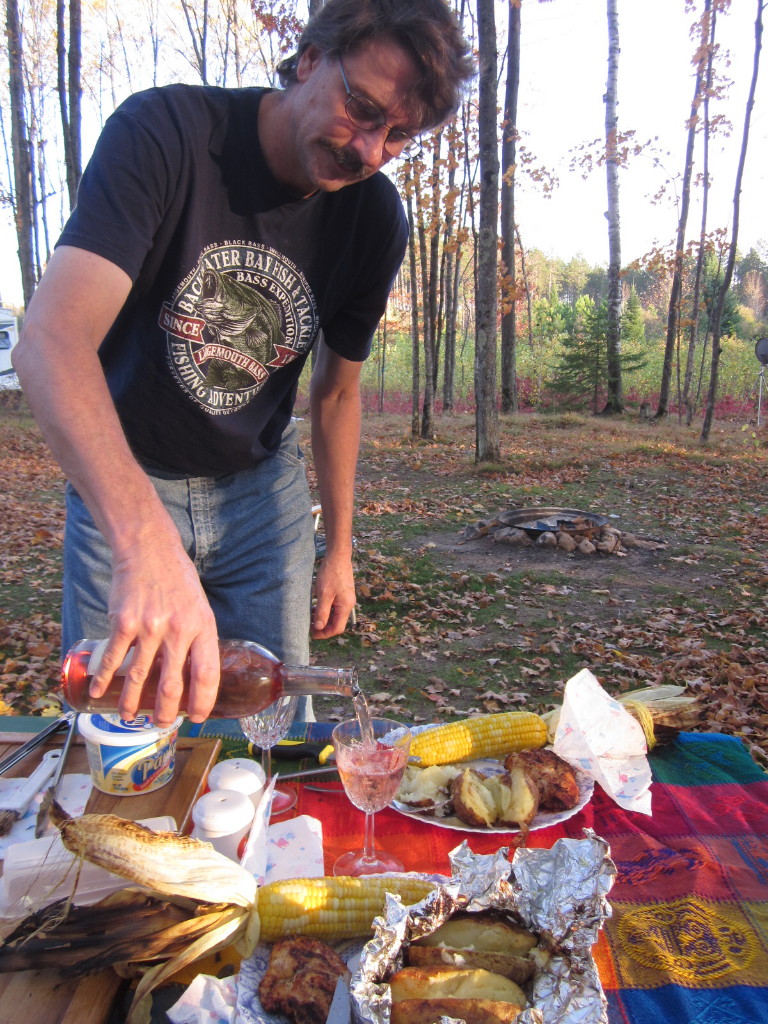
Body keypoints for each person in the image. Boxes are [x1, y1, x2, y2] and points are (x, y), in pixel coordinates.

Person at [13, 0, 473, 729]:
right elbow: (50, 341)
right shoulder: (165, 135)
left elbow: (337, 396)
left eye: (399, 136)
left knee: (266, 741)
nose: (370, 150)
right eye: (362, 108)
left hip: (263, 498)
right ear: (312, 56)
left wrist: (340, 550)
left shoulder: (374, 218)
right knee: (120, 734)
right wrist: (143, 542)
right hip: (129, 481)